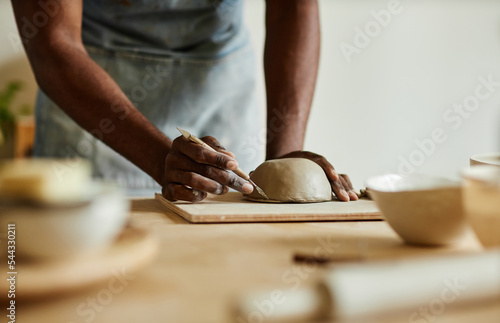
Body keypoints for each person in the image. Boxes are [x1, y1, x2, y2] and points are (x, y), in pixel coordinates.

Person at [11, 0, 358, 202]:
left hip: (219, 89)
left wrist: (284, 163)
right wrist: (159, 156)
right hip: (88, 99)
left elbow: (291, 9)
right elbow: (53, 42)